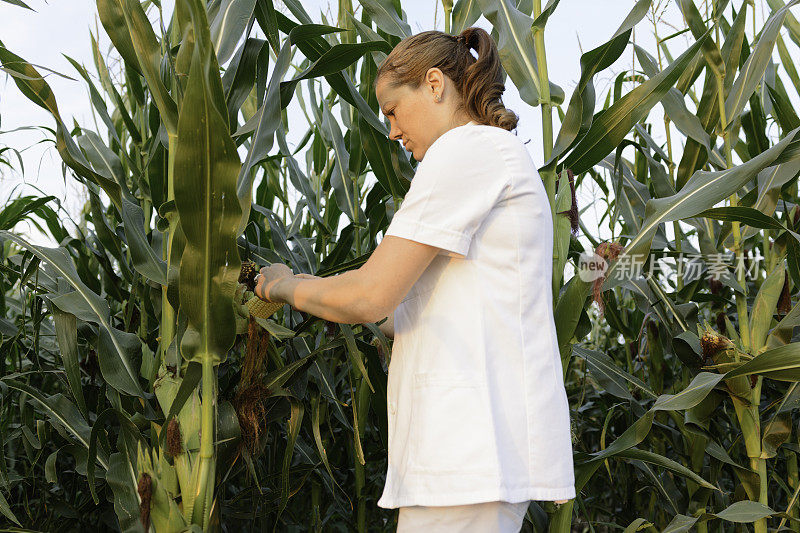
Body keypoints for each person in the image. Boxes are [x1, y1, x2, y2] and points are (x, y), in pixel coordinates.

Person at [255, 26, 575, 533]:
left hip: (468, 453)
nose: (392, 132)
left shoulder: (467, 152)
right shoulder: (488, 157)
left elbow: (369, 296)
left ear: (433, 84)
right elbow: (404, 312)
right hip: (465, 460)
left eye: (392, 110)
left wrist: (283, 285)